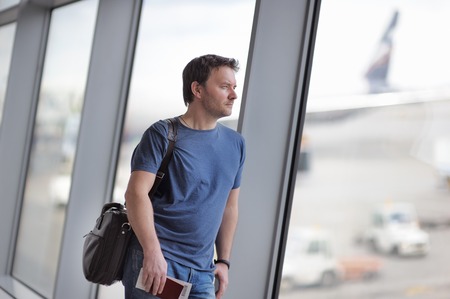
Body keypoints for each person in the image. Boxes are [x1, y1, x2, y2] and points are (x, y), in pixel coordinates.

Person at [122, 54, 246, 299]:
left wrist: (223, 261)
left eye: (234, 87)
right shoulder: (162, 134)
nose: (233, 95)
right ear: (197, 89)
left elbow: (229, 207)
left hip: (203, 272)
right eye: (224, 87)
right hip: (159, 262)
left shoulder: (236, 144)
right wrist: (152, 252)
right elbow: (135, 194)